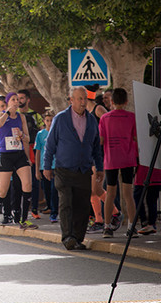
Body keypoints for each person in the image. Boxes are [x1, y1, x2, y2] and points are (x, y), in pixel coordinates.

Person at [43, 87, 104, 251]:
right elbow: (50, 145)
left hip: (84, 169)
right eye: (79, 99)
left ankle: (78, 238)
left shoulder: (91, 120)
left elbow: (96, 147)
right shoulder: (61, 119)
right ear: (71, 100)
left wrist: (100, 168)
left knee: (83, 206)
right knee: (66, 203)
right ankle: (68, 237)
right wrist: (46, 166)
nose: (83, 102)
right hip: (64, 169)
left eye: (84, 99)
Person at [0, 92, 38, 236]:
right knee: (3, 190)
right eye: (13, 100)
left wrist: (23, 136)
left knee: (27, 185)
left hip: (19, 154)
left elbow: (27, 138)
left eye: (17, 99)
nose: (16, 102)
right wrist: (8, 111)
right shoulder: (2, 115)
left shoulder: (22, 117)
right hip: (6, 156)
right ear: (8, 102)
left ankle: (23, 220)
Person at [98, 87, 139, 239]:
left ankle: (107, 227)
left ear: (112, 101)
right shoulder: (132, 117)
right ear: (126, 102)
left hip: (111, 159)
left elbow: (101, 140)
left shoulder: (104, 118)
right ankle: (131, 227)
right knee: (128, 194)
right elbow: (135, 138)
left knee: (110, 193)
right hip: (128, 159)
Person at [18, 88, 42, 219]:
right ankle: (19, 210)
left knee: (34, 180)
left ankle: (34, 209)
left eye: (21, 98)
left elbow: (42, 131)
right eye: (17, 98)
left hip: (33, 150)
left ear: (27, 100)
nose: (19, 101)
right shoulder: (13, 114)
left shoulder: (36, 115)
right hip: (18, 151)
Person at [35, 110, 58, 222]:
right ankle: (50, 206)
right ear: (44, 121)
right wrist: (37, 170)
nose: (49, 122)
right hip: (44, 166)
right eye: (47, 120)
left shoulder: (57, 132)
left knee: (55, 189)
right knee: (47, 189)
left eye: (51, 120)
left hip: (55, 165)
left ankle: (54, 212)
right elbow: (38, 152)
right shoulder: (40, 134)